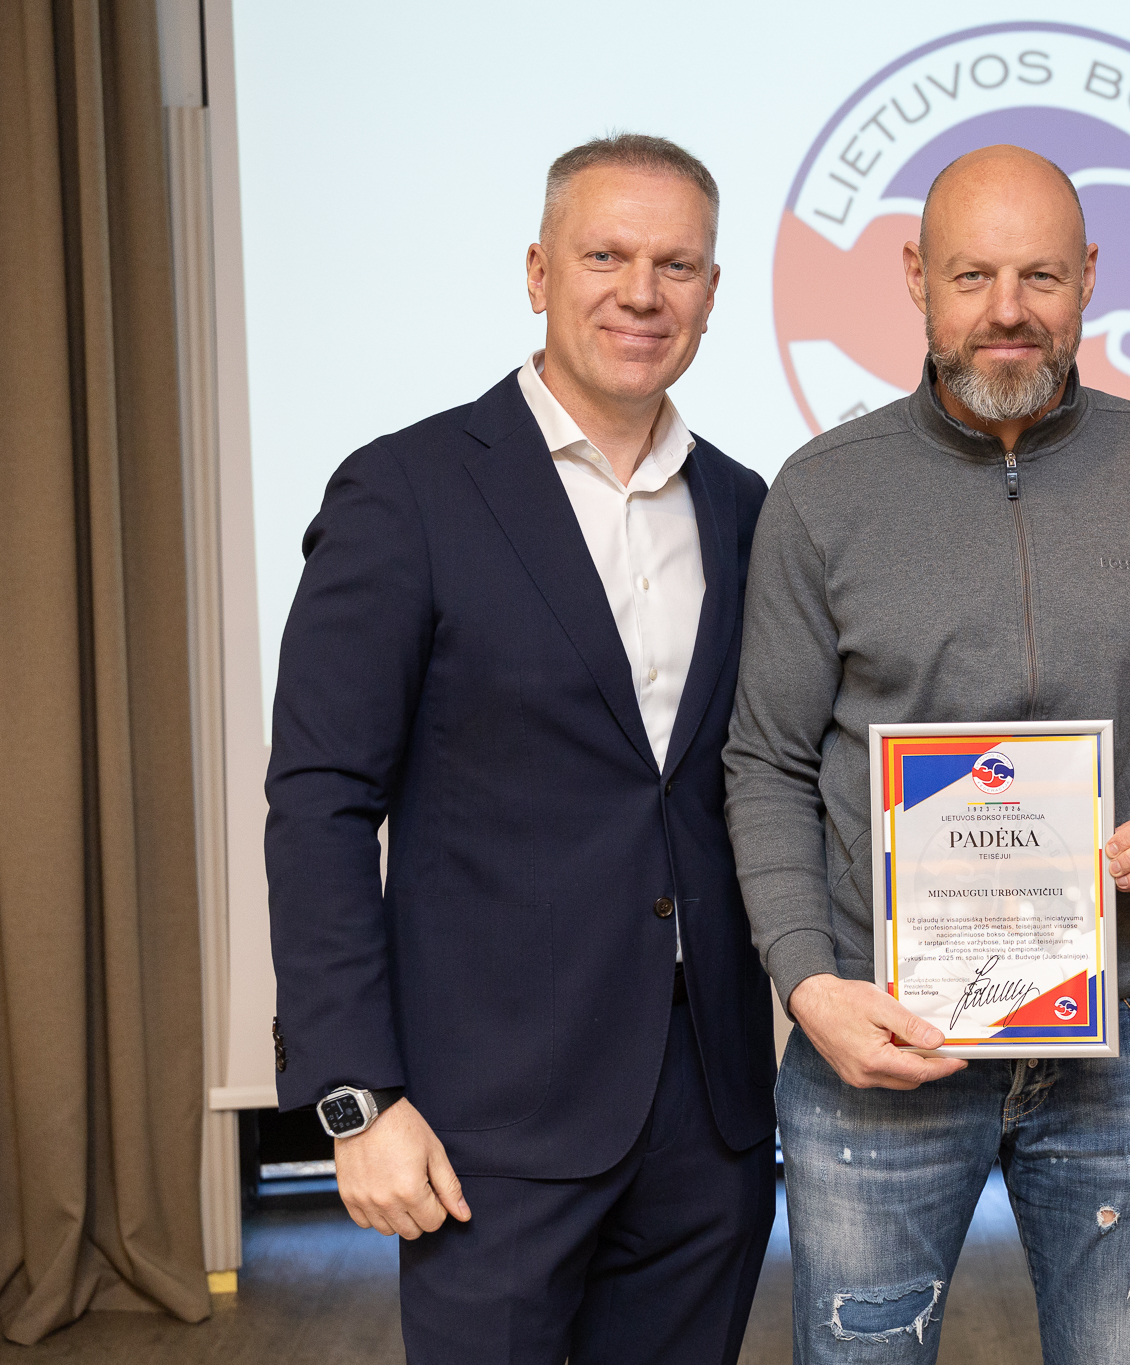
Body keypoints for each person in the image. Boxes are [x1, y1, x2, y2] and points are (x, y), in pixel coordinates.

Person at [723, 144, 1130, 1364]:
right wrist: (807, 984)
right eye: (970, 275)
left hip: (1129, 1030)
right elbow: (764, 762)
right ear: (914, 277)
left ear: (1087, 278)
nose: (1006, 310)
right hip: (882, 1034)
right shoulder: (820, 494)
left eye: (1039, 275)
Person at [266, 133, 775, 1364]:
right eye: (605, 257)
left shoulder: (746, 507)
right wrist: (356, 1101)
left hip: (706, 1117)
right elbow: (321, 801)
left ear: (712, 292)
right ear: (538, 272)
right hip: (480, 1122)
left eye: (676, 265)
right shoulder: (405, 492)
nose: (641, 293)